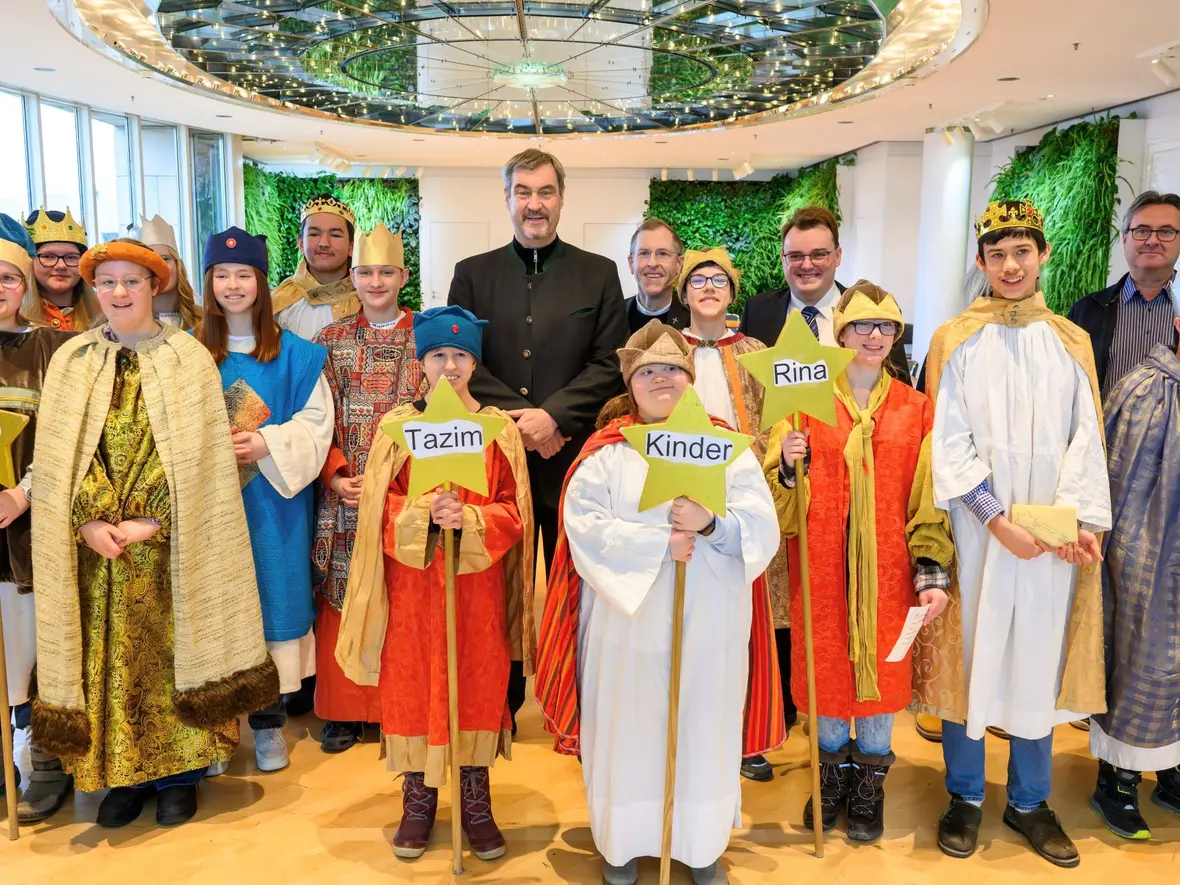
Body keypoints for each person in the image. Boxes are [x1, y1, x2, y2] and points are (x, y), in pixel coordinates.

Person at [30, 238, 278, 828]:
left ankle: (179, 774)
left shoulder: (186, 357)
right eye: (108, 282)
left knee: (174, 655)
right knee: (107, 661)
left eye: (131, 282)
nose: (119, 293)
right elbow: (62, 451)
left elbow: (201, 460)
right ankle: (122, 777)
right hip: (97, 550)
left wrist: (152, 521)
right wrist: (89, 519)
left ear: (153, 287)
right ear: (95, 289)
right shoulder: (72, 360)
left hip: (168, 545)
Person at [535, 321, 780, 885]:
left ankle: (700, 844)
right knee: (628, 723)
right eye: (647, 371)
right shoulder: (607, 452)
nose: (661, 378)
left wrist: (711, 523)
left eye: (671, 369)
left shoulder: (725, 448)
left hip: (710, 619)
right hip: (628, 623)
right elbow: (583, 524)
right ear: (630, 383)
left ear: (689, 380)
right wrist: (658, 544)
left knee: (703, 721)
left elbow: (759, 522)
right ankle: (622, 842)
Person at [917, 200, 1110, 868]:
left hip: (1051, 544)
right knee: (969, 657)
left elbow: (1087, 441)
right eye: (996, 254)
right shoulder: (955, 338)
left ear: (1042, 254)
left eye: (1021, 252)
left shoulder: (1070, 340)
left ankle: (1030, 799)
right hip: (980, 536)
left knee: (1036, 659)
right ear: (981, 262)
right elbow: (947, 440)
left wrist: (1067, 524)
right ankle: (965, 795)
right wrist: (997, 519)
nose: (1009, 265)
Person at [335, 304, 535, 861]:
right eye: (438, 355)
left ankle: (474, 790)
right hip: (415, 589)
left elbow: (513, 512)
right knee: (416, 676)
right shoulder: (398, 428)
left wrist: (468, 521)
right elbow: (378, 505)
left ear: (474, 361)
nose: (449, 366)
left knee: (476, 675)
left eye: (460, 355)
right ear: (420, 361)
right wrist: (421, 513)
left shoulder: (498, 431)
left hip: (477, 591)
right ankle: (418, 792)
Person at [765, 280, 953, 842]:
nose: (873, 336)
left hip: (888, 574)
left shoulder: (917, 409)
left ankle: (868, 786)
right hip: (821, 567)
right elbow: (780, 502)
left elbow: (928, 496)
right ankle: (830, 780)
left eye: (885, 326)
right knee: (826, 674)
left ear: (896, 335)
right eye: (861, 326)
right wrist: (788, 466)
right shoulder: (804, 405)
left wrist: (928, 568)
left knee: (879, 677)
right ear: (838, 334)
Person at [448, 149, 628, 729]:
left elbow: (609, 364)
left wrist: (554, 419)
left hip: (574, 457)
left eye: (545, 192)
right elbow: (461, 363)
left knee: (577, 582)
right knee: (498, 581)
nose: (534, 204)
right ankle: (497, 702)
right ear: (507, 199)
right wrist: (527, 419)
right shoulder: (473, 274)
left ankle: (576, 698)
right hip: (500, 459)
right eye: (523, 192)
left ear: (561, 199)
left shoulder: (597, 272)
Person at [197, 227, 332, 773]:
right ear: (208, 283)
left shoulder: (297, 356)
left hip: (274, 505)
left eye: (244, 274)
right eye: (222, 275)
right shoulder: (186, 353)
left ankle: (269, 723)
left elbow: (317, 424)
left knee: (273, 602)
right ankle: (216, 727)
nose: (233, 285)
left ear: (261, 280)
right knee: (213, 607)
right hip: (211, 505)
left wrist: (265, 442)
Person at [675, 247, 788, 782]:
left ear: (732, 291)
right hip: (681, 498)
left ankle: (746, 736)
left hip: (741, 499)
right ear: (683, 292)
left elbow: (776, 421)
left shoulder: (756, 352)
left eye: (719, 280)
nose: (709, 288)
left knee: (741, 626)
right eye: (698, 280)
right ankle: (683, 726)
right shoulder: (666, 350)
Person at [312, 223, 424, 753]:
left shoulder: (427, 337)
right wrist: (334, 472)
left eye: (385, 271)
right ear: (351, 278)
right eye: (365, 272)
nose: (375, 281)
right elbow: (315, 417)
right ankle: (342, 709)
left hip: (406, 491)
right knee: (341, 590)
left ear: (402, 276)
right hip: (348, 491)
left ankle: (394, 706)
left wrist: (404, 483)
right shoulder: (330, 341)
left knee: (401, 596)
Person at [1086, 318, 1180, 840]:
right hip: (1152, 552)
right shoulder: (1147, 389)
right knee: (1144, 655)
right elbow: (1120, 483)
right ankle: (1116, 778)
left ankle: (1170, 769)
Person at [0, 215, 75, 816]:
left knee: (41, 648)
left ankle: (48, 764)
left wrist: (24, 493)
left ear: (24, 284)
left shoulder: (52, 348)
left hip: (32, 526)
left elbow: (64, 437)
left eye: (7, 276)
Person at [738, 206, 911, 384]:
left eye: (819, 255)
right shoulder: (758, 312)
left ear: (838, 256)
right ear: (783, 258)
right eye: (795, 256)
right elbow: (742, 382)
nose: (806, 265)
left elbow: (900, 387)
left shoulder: (874, 310)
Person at [1068, 191, 1180, 395]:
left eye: (1166, 232)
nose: (1153, 240)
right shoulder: (1085, 311)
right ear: (1125, 239)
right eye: (1142, 230)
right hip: (1100, 427)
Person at [272, 194, 360, 340]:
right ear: (301, 243)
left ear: (352, 246)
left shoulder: (367, 301)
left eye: (335, 235)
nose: (324, 243)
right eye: (314, 234)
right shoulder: (279, 302)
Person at [23, 207, 100, 331]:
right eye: (48, 256)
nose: (61, 266)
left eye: (71, 257)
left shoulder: (106, 314)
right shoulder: (12, 320)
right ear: (30, 261)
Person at [137, 215, 202, 330]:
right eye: (150, 261)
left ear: (178, 265)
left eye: (165, 259)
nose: (159, 267)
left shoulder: (203, 321)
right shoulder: (127, 325)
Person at [624, 218, 689, 333]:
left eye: (663, 253)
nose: (652, 263)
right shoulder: (613, 315)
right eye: (644, 253)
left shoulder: (695, 319)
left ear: (679, 264)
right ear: (631, 263)